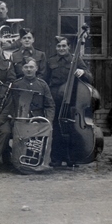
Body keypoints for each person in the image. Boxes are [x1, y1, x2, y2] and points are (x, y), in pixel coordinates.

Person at [45, 36, 92, 166]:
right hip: (55, 98)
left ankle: (72, 158)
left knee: (72, 128)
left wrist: (83, 72)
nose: (61, 48)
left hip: (72, 99)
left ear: (69, 47)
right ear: (56, 48)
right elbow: (45, 79)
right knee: (56, 127)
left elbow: (90, 76)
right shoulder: (51, 61)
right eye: (59, 46)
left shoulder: (75, 60)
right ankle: (56, 158)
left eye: (64, 46)